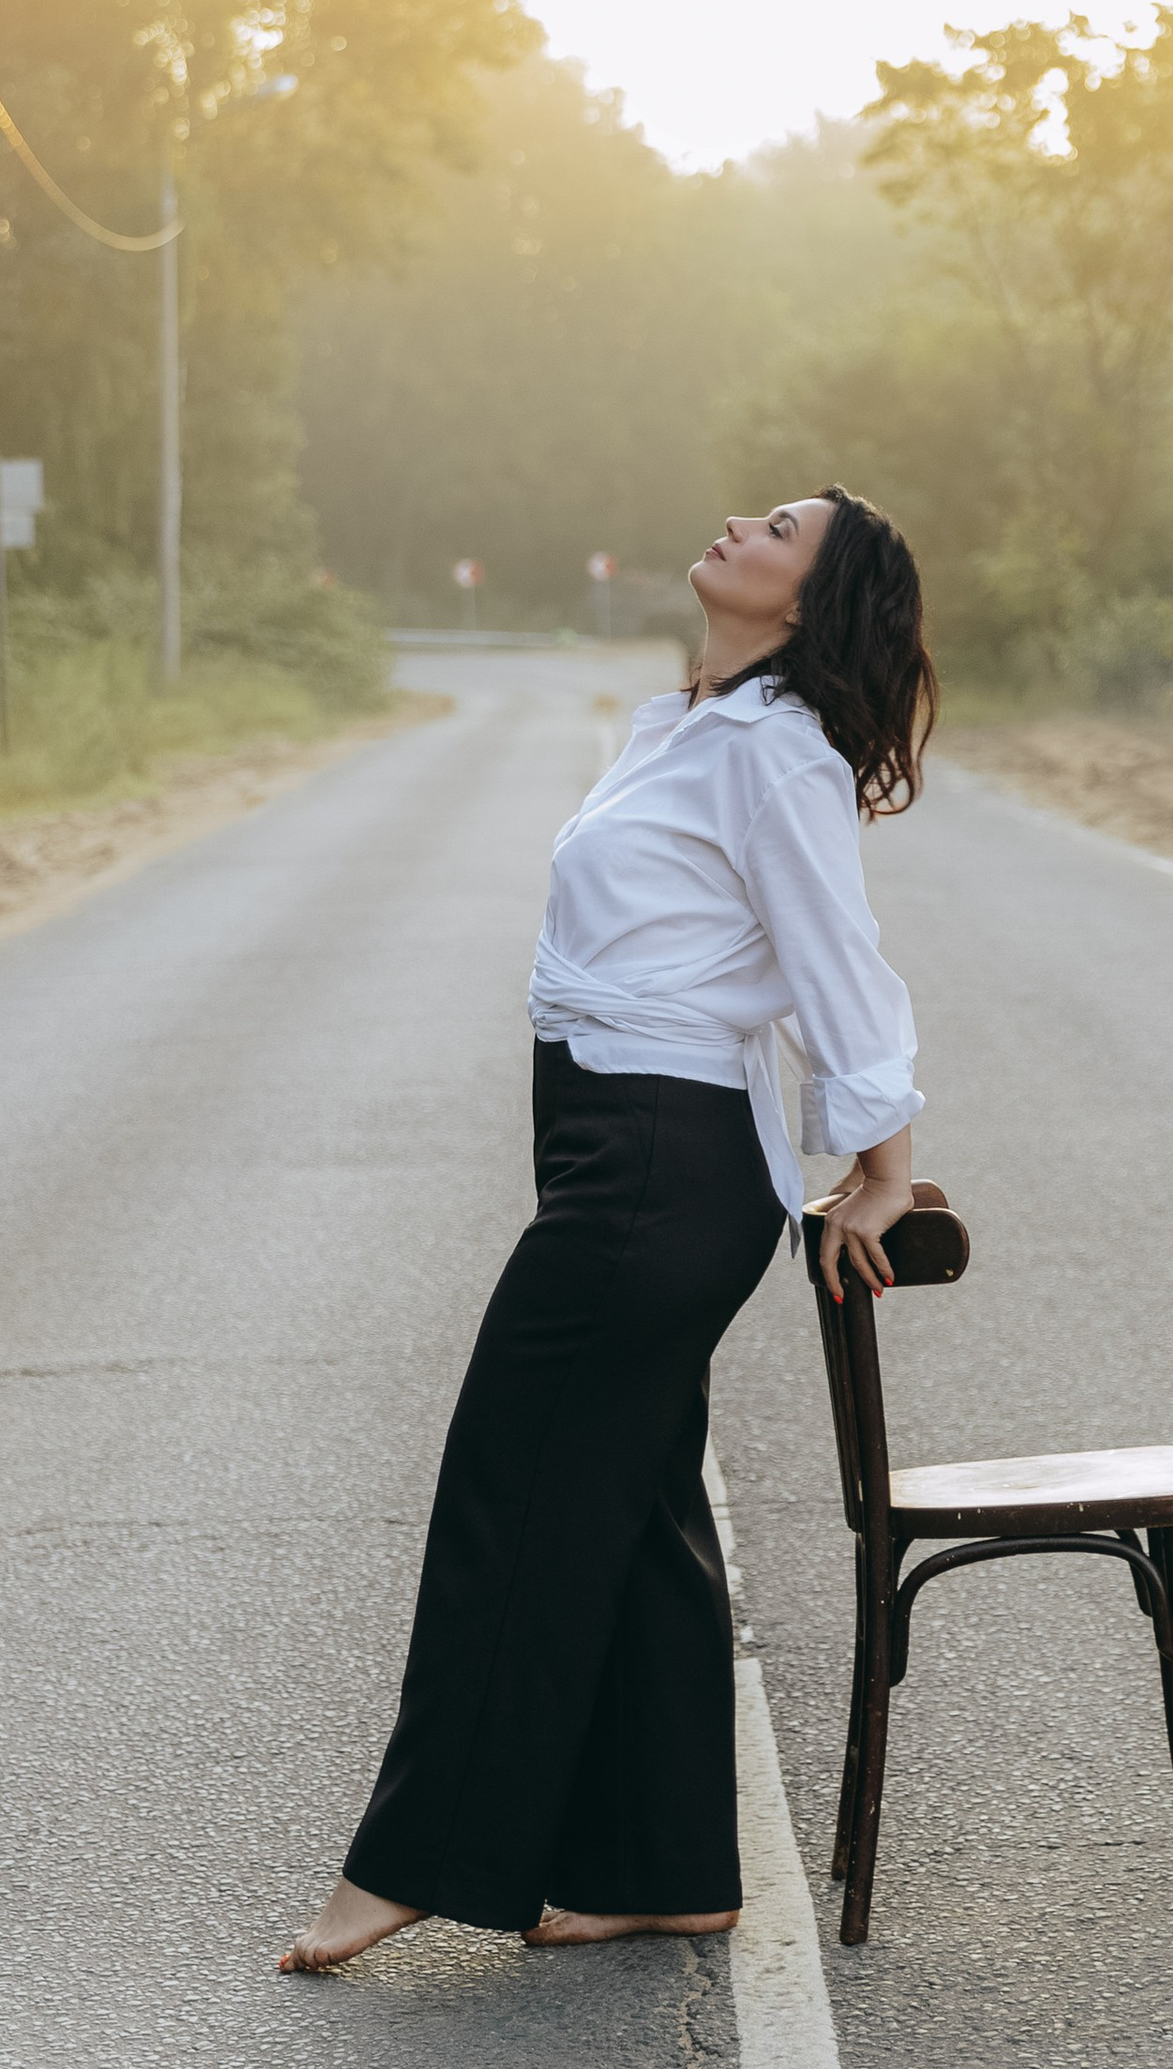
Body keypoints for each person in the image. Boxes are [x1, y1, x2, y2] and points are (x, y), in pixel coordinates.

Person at [280, 485, 937, 1973]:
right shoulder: (686, 724)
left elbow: (843, 957)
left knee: (510, 1490)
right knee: (635, 1509)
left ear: (808, 601)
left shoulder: (780, 753)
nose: (737, 524)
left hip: (660, 1161)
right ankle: (665, 1863)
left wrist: (886, 1158)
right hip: (604, 1135)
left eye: (779, 529)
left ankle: (416, 1859)